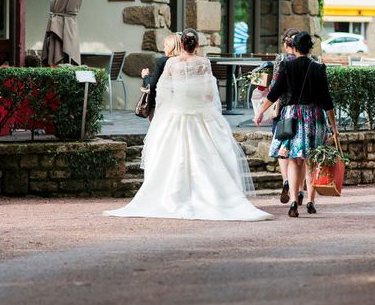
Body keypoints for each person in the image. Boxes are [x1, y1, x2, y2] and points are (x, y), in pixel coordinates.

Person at [105, 29, 273, 221]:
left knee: (169, 155)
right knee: (209, 154)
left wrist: (164, 112)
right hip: (200, 113)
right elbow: (210, 93)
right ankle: (215, 196)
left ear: (181, 44)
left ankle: (170, 197)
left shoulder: (171, 63)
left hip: (175, 113)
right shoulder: (204, 63)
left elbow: (163, 91)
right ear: (197, 45)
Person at [254, 31, 338, 217]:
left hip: (292, 115)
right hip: (314, 117)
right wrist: (334, 126)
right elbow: (327, 100)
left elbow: (274, 94)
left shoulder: (287, 67)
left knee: (293, 160)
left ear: (294, 46)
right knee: (311, 160)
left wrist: (260, 112)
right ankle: (310, 201)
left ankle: (293, 200)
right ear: (310, 47)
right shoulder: (318, 68)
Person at [270, 27, 307, 206]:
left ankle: (286, 180)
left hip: (284, 110)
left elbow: (274, 86)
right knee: (300, 154)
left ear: (287, 44)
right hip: (304, 112)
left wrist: (262, 109)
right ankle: (299, 189)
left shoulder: (281, 60)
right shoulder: (310, 61)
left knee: (283, 149)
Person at [141, 33, 182, 121]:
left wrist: (145, 76)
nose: (164, 49)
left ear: (171, 46)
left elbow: (151, 86)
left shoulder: (163, 61)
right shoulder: (184, 62)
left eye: (165, 46)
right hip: (179, 106)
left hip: (160, 106)